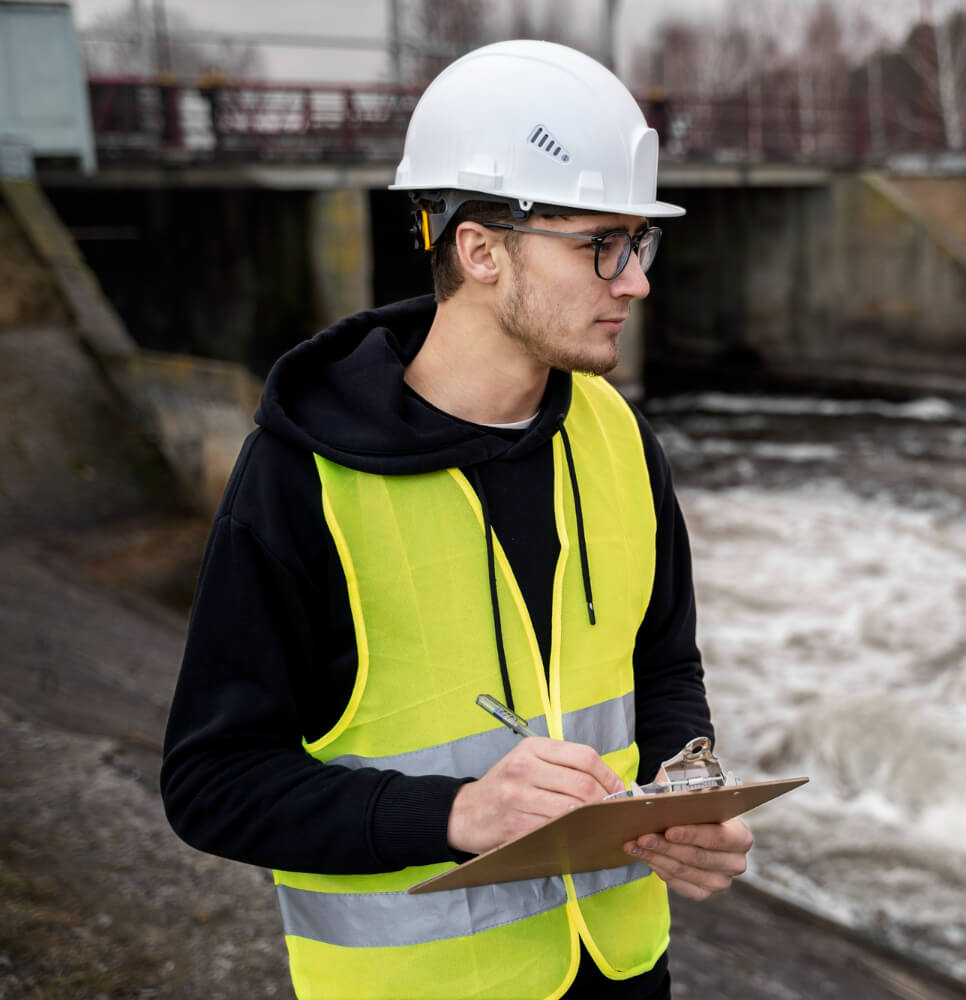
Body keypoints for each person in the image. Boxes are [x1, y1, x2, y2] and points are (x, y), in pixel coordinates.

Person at [160, 40, 752, 1000]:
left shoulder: (619, 437)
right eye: (601, 243)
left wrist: (691, 793)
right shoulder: (303, 475)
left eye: (639, 242)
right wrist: (453, 815)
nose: (636, 280)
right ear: (480, 250)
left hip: (626, 971)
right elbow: (211, 784)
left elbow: (662, 665)